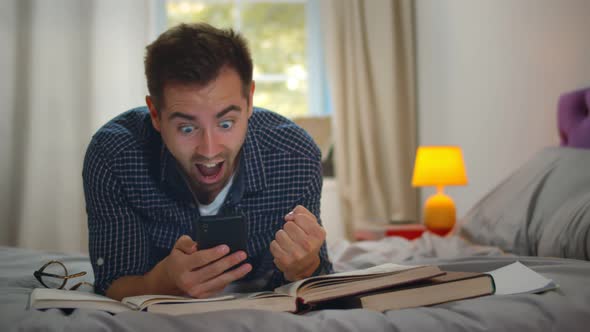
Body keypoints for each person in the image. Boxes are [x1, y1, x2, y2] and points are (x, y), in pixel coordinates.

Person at [82, 23, 333, 301]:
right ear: (155, 113)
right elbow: (114, 282)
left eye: (226, 123)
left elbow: (318, 277)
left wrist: (306, 266)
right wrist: (162, 281)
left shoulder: (295, 154)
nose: (209, 150)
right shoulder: (114, 154)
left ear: (249, 100)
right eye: (187, 128)